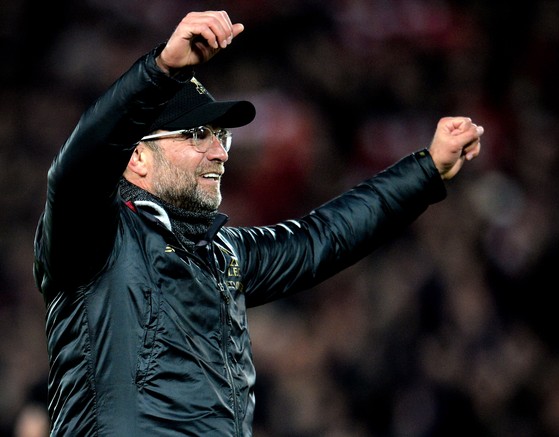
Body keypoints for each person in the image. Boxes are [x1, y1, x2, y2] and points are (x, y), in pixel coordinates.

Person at [33, 9, 483, 437]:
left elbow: (324, 238)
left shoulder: (223, 253)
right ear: (137, 157)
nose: (221, 152)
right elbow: (73, 171)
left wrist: (425, 171)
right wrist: (160, 68)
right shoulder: (97, 236)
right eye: (196, 135)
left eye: (221, 135)